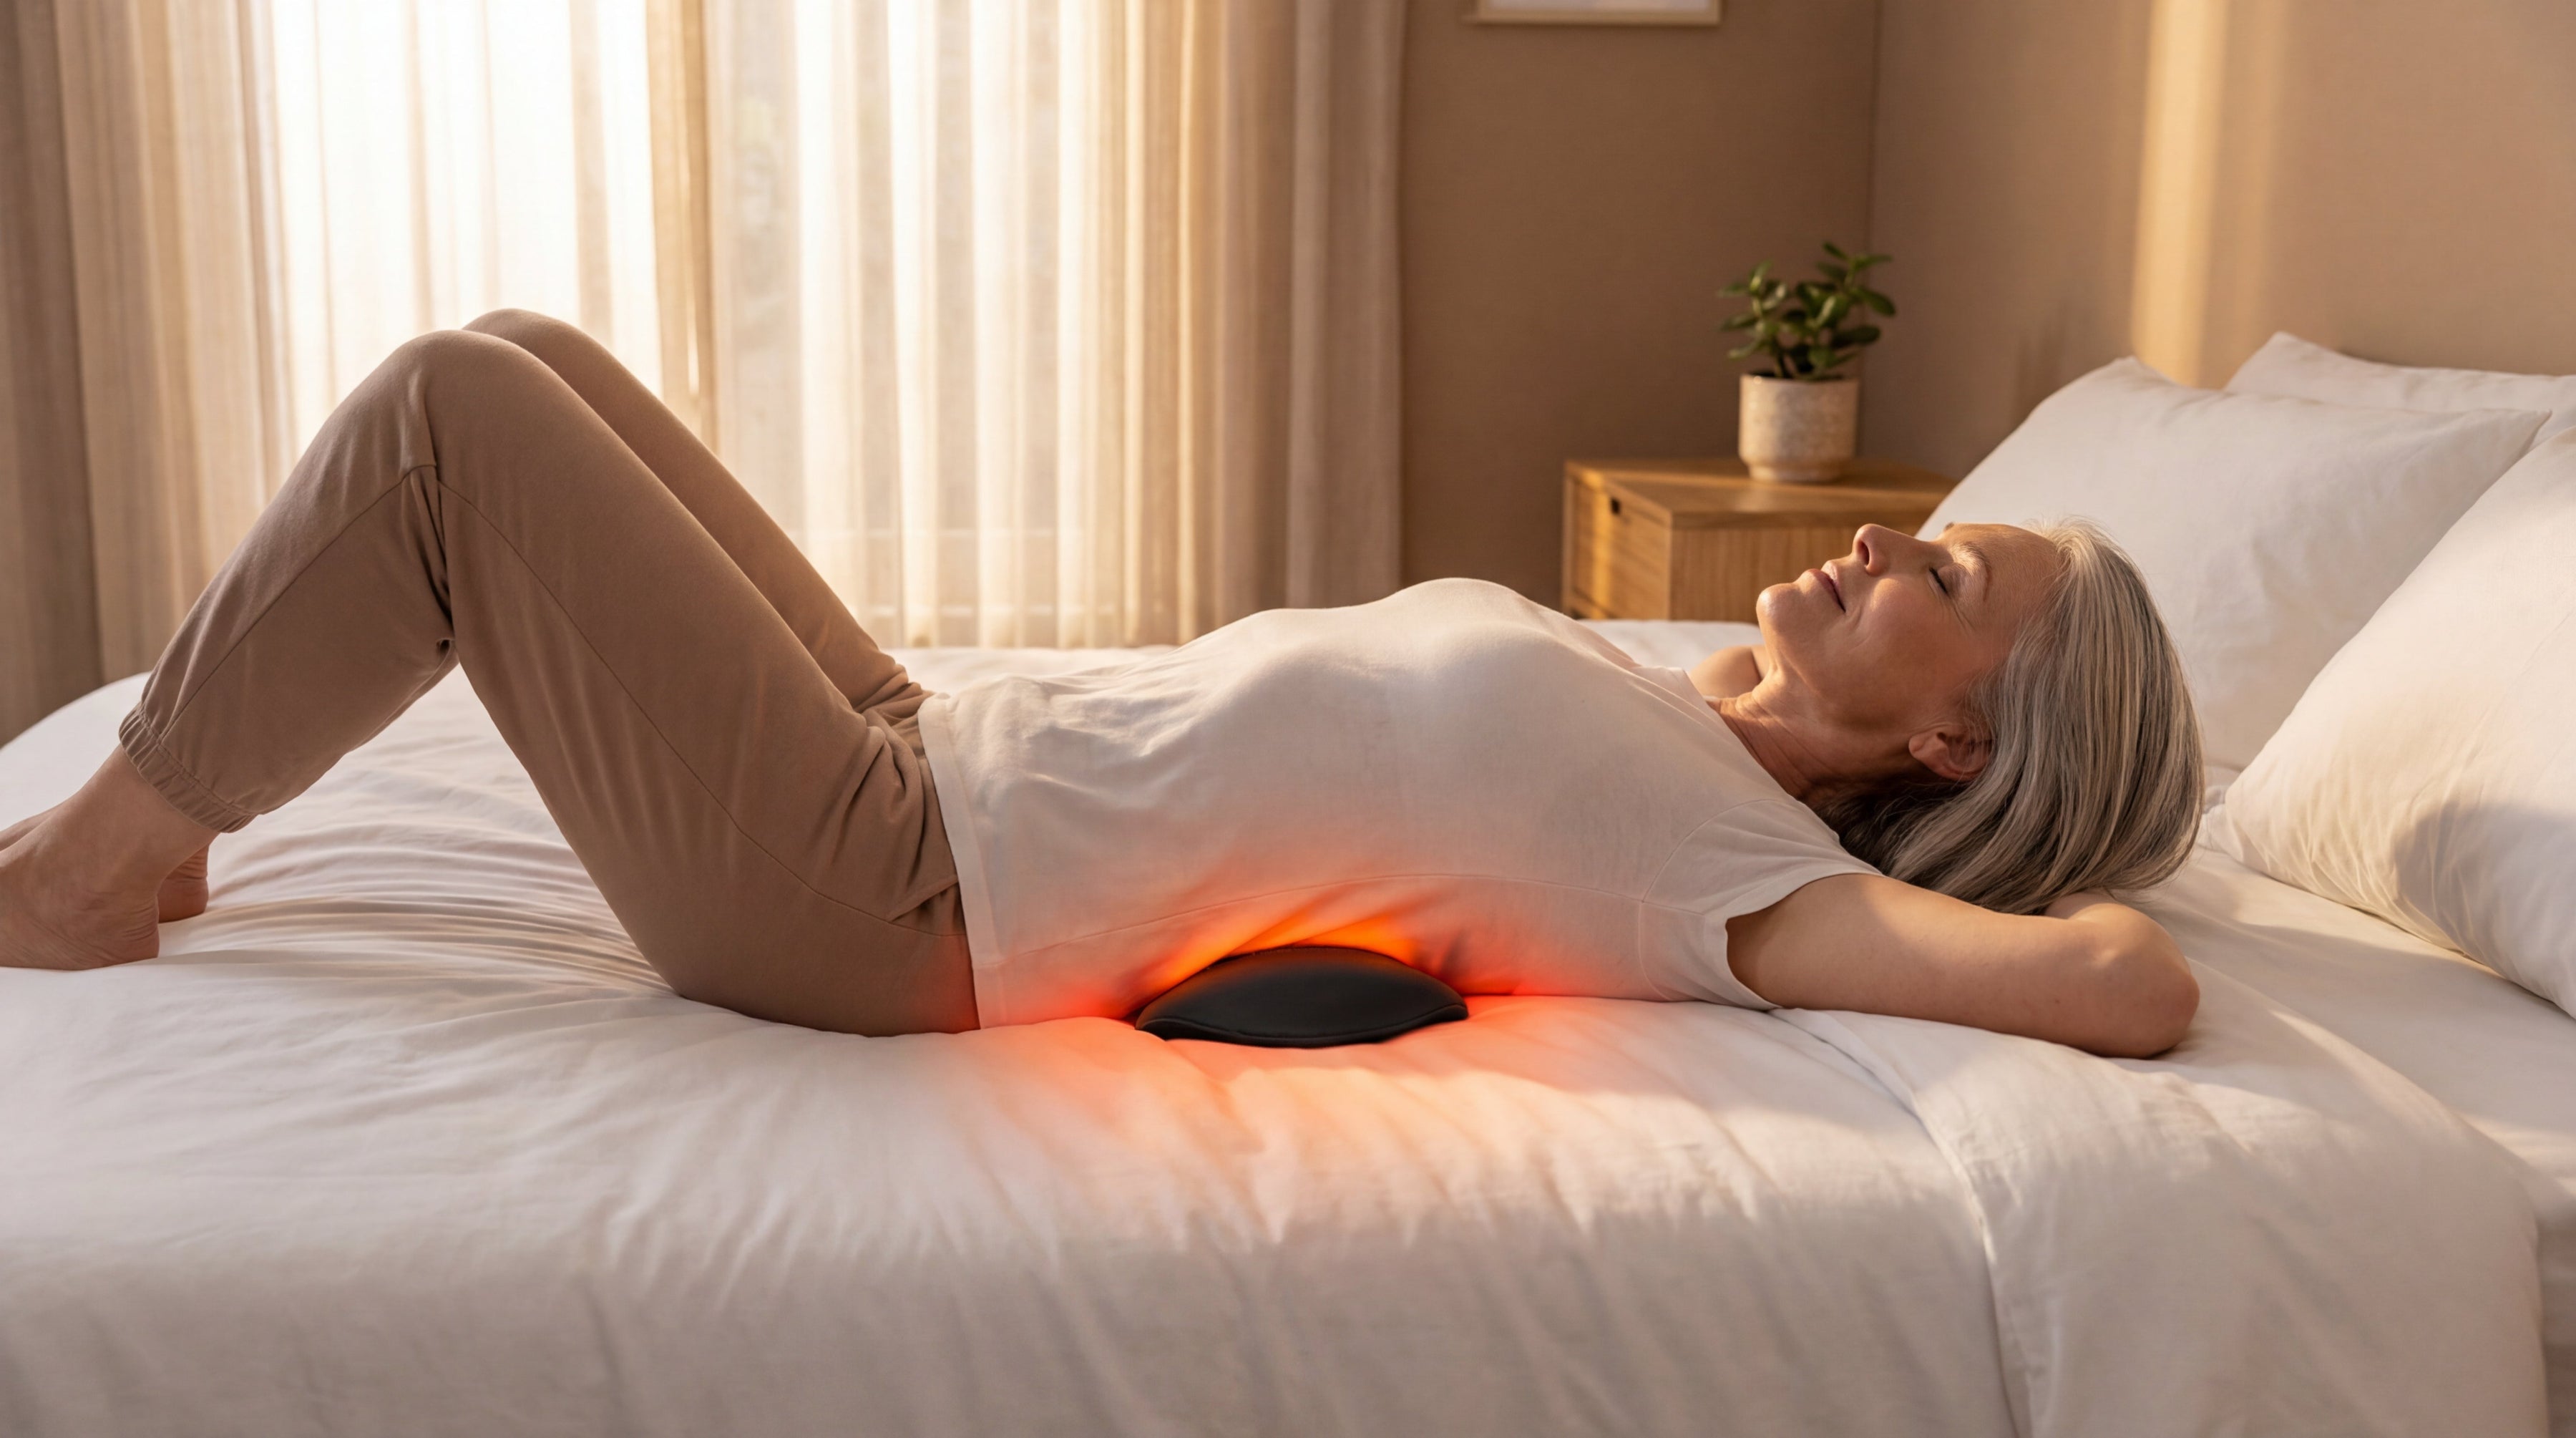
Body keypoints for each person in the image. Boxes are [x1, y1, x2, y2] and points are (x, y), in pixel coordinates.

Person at [0, 313, 2204, 1057]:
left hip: (889, 894)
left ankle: (106, 863)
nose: (1868, 537)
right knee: (526, 358)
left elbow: (2123, 988)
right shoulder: (1674, 699)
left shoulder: (1740, 869)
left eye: (1939, 575)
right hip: (926, 750)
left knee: (442, 420)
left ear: (1957, 738)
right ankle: (173, 794)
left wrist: (2129, 888)